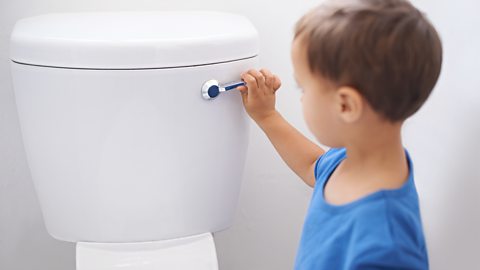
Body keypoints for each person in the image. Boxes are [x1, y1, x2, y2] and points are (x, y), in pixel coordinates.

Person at [236, 0, 442, 268]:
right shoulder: (356, 159)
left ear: (346, 105)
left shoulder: (386, 246)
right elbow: (313, 165)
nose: (301, 98)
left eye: (303, 89)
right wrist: (267, 116)